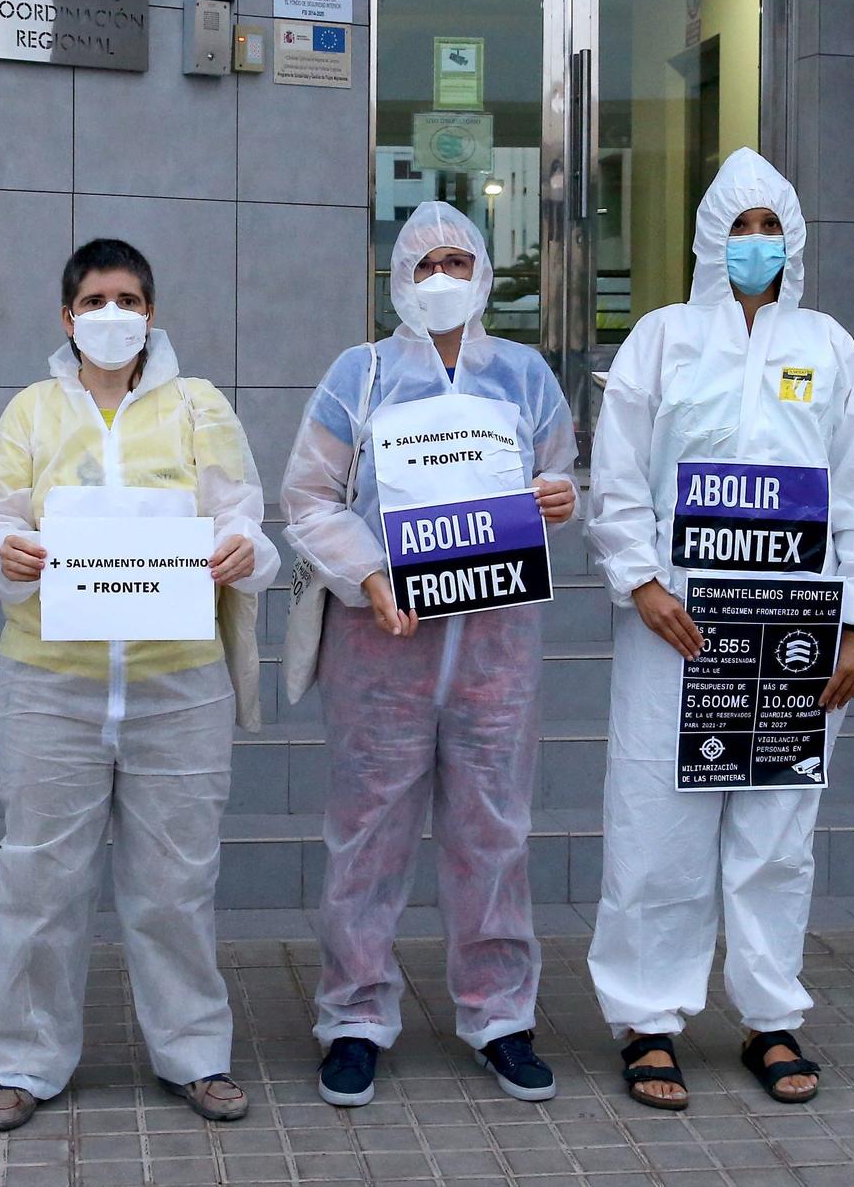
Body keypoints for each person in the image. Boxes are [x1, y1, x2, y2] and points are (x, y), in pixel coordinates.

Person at [584, 147, 854, 1110]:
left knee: (775, 829)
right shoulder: (662, 339)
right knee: (657, 824)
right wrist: (640, 581)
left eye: (772, 228)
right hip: (675, 625)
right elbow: (620, 473)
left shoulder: (829, 347)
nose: (756, 244)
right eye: (741, 227)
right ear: (709, 239)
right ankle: (649, 1019)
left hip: (793, 631)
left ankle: (770, 1017)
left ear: (794, 240)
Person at [0, 238, 280, 1132]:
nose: (114, 314)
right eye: (96, 299)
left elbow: (246, 518)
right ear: (67, 316)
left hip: (178, 685)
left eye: (130, 299)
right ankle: (24, 1061)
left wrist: (243, 551)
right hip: (48, 684)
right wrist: (4, 554)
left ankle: (195, 1055)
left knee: (175, 882)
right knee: (37, 881)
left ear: (153, 310)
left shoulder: (198, 406)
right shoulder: (31, 411)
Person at [280, 202, 578, 1109]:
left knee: (495, 828)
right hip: (384, 641)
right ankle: (355, 1018)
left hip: (496, 648)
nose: (443, 279)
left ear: (485, 274)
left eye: (460, 261)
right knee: (368, 832)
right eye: (426, 265)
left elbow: (566, 479)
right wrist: (367, 574)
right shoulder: (359, 376)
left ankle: (500, 1016)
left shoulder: (527, 378)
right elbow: (307, 498)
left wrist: (559, 497)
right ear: (399, 281)